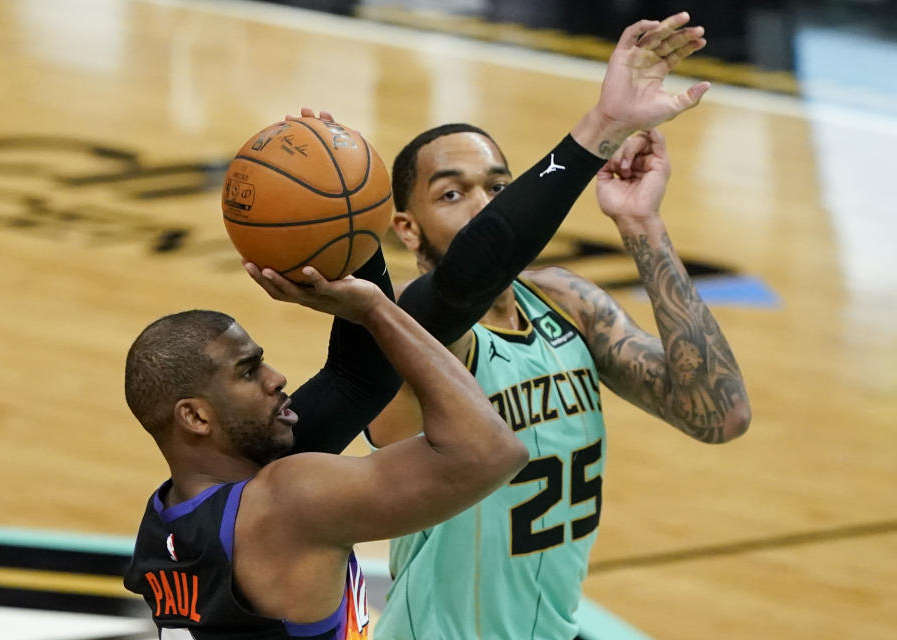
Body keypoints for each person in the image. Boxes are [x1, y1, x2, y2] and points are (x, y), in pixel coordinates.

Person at [366, 16, 753, 640]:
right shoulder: (413, 326)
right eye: (451, 194)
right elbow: (470, 272)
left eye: (498, 187)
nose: (484, 207)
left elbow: (719, 415)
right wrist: (598, 128)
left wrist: (641, 226)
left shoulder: (565, 301)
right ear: (406, 229)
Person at [122, 259, 529, 638]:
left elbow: (358, 378)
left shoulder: (165, 523)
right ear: (195, 417)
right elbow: (490, 451)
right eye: (248, 372)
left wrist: (355, 245)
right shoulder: (288, 502)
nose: (276, 378)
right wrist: (372, 309)